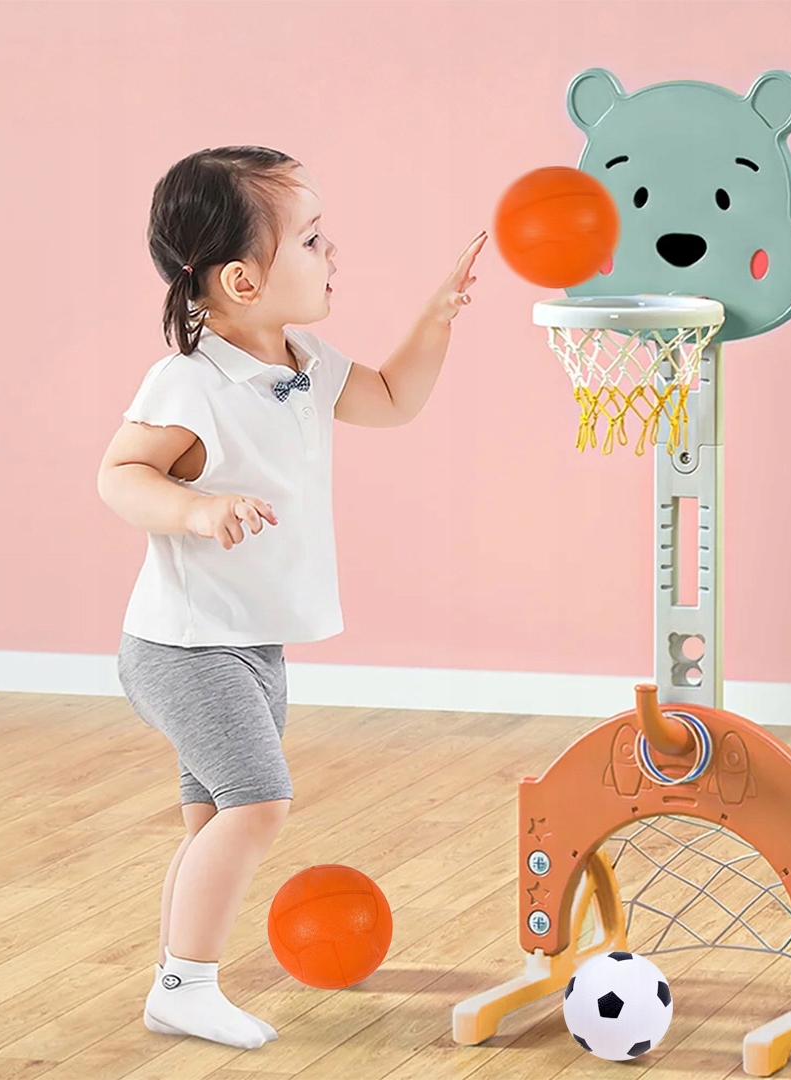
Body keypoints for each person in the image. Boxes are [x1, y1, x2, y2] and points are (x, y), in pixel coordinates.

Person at [97, 146, 485, 1049]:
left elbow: (391, 398)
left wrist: (435, 320)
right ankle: (186, 986)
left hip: (250, 641)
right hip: (186, 645)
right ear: (242, 279)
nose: (330, 251)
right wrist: (196, 510)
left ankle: (176, 981)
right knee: (258, 804)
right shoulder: (190, 380)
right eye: (311, 240)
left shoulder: (303, 361)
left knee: (212, 820)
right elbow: (120, 475)